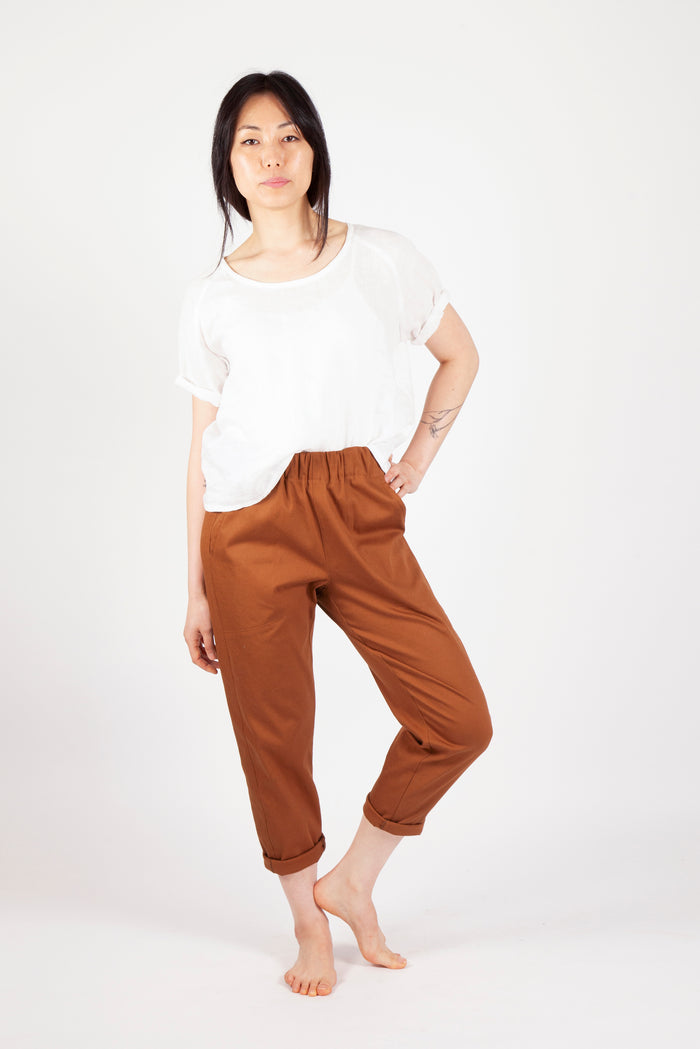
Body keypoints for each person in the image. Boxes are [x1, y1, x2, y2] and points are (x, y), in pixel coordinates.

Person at [175, 70, 493, 998]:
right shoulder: (212, 299)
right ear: (228, 165)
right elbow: (201, 448)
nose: (271, 155)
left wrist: (416, 459)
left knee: (456, 716)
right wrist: (194, 586)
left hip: (356, 501)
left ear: (314, 150)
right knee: (273, 731)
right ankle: (308, 923)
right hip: (246, 524)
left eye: (289, 136)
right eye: (249, 141)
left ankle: (352, 879)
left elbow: (460, 356)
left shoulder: (381, 257)